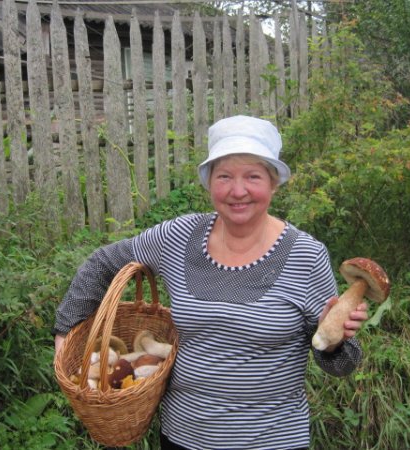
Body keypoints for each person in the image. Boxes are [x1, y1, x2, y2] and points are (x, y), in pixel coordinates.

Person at [53, 115, 369, 450]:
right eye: (224, 176)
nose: (238, 190)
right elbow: (103, 263)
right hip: (182, 437)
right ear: (209, 182)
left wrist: (334, 344)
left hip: (270, 440)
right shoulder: (177, 236)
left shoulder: (306, 256)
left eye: (253, 176)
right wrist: (65, 331)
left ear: (273, 183)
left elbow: (342, 365)